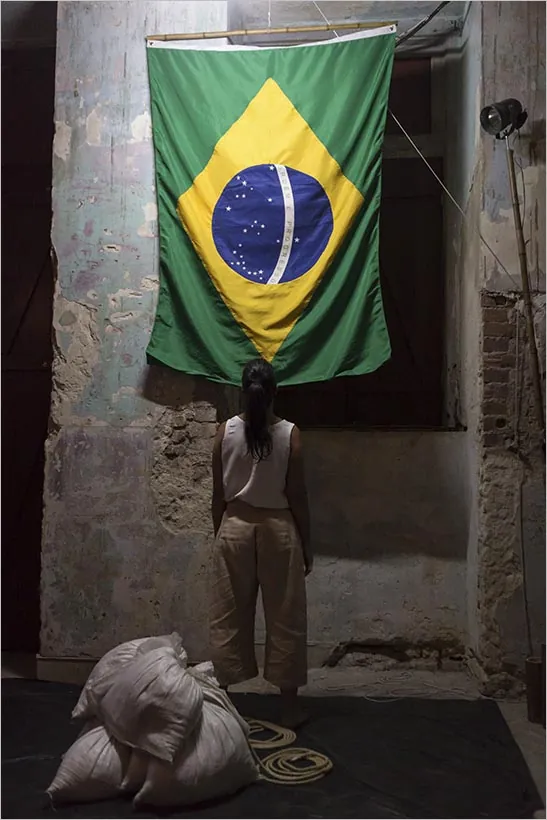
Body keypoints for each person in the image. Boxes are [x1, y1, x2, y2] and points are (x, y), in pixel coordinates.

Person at [209, 358, 312, 727]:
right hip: (278, 529)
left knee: (229, 614)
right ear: (275, 392)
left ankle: (223, 702)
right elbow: (297, 496)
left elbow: (218, 495)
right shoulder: (290, 434)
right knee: (286, 616)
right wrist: (307, 543)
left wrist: (219, 531)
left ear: (243, 391)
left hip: (234, 526)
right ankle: (288, 708)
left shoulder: (225, 432)